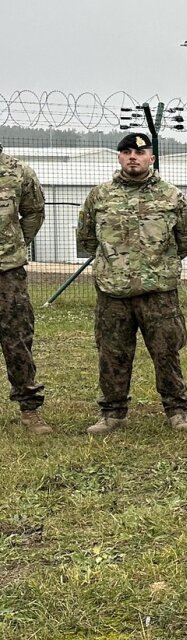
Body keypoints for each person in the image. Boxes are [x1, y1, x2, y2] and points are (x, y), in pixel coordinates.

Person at [76, 133, 187, 434]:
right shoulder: (100, 196)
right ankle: (113, 413)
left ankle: (177, 410)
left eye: (140, 152)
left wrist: (157, 267)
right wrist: (113, 266)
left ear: (151, 158)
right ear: (119, 157)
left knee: (166, 351)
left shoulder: (172, 196)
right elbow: (87, 237)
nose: (133, 156)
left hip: (158, 292)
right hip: (112, 291)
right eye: (127, 151)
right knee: (112, 353)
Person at [0, 148, 49, 434]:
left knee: (17, 338)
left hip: (7, 271)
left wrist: (15, 244)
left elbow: (34, 212)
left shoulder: (19, 171)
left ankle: (29, 409)